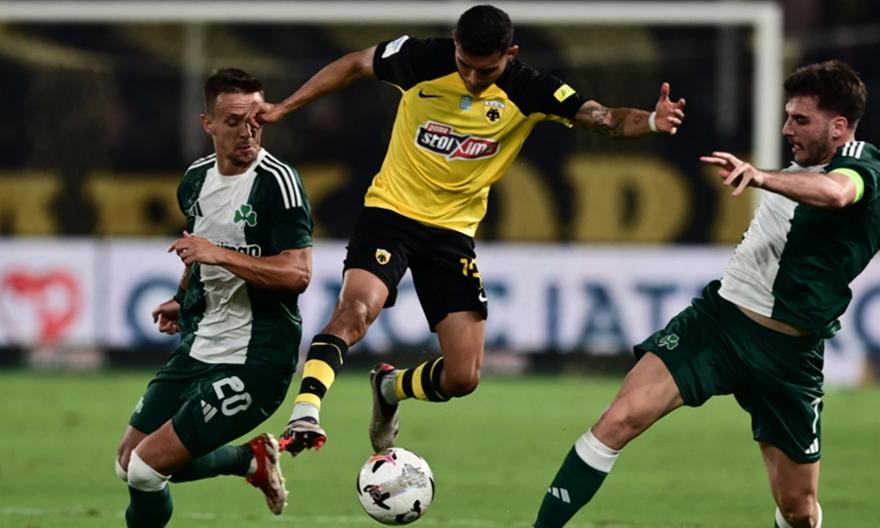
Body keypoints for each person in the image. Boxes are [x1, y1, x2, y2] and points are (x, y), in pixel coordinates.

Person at [254, 4, 686, 457]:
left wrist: (651, 121)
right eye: (465, 65)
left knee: (463, 377)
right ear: (455, 44)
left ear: (510, 54)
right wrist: (285, 107)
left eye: (487, 70)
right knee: (355, 312)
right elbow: (355, 63)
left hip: (451, 236)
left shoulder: (529, 88)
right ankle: (305, 412)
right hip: (390, 214)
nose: (474, 78)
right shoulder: (421, 58)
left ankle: (389, 388)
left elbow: (605, 118)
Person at [532, 59, 879, 528]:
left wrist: (760, 176)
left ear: (838, 126)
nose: (786, 129)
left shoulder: (862, 165)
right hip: (719, 324)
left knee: (798, 510)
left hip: (790, 357)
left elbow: (837, 193)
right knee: (617, 421)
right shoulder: (799, 170)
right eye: (787, 117)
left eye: (800, 119)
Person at [114, 68, 314, 526]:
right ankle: (250, 460)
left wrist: (217, 254)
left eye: (257, 120)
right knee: (129, 463)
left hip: (258, 359)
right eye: (234, 121)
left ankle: (247, 460)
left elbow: (298, 274)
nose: (248, 132)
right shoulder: (195, 180)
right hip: (202, 343)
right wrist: (181, 296)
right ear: (208, 124)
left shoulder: (278, 183)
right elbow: (198, 250)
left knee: (146, 469)